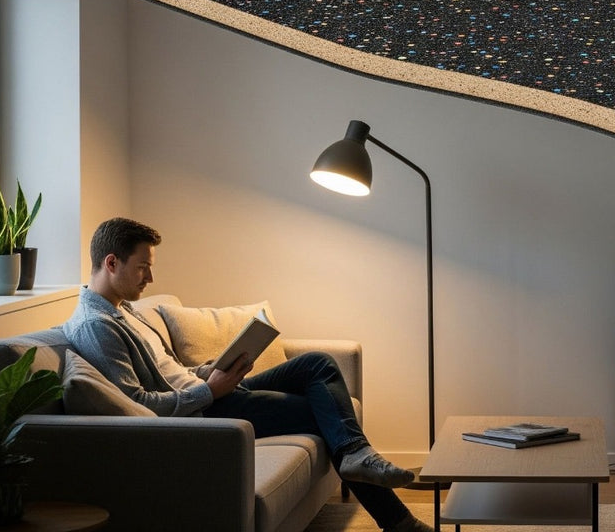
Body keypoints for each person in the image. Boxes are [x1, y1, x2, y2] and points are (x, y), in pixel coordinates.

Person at [65, 218, 433, 532]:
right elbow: (142, 405)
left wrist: (210, 369)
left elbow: (169, 371)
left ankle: (357, 455)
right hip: (202, 414)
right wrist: (209, 391)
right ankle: (397, 518)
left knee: (317, 364)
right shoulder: (96, 326)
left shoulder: (125, 309)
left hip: (209, 391)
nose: (151, 276)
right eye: (143, 266)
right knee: (328, 416)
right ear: (111, 263)